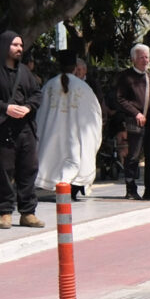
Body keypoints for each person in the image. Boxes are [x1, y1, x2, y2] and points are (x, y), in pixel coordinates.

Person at [0, 30, 43, 228]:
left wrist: (28, 107)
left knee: (28, 169)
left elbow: (37, 94)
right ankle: (5, 212)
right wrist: (5, 108)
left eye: (21, 45)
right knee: (3, 170)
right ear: (5, 45)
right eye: (15, 45)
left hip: (25, 128)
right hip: (2, 129)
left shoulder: (25, 72)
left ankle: (28, 212)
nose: (19, 48)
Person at [35, 48, 104, 205]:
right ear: (74, 67)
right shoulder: (82, 87)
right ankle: (67, 189)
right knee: (74, 160)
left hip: (53, 134)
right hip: (74, 135)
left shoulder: (49, 85)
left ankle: (61, 188)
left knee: (56, 159)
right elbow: (93, 112)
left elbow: (41, 112)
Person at [116, 44, 150, 199]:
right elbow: (120, 99)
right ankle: (131, 189)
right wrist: (136, 113)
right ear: (133, 59)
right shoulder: (126, 77)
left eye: (147, 57)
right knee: (133, 156)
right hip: (134, 122)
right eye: (141, 57)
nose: (145, 60)